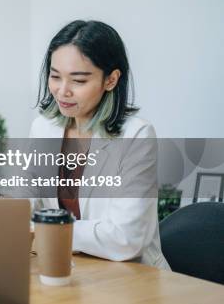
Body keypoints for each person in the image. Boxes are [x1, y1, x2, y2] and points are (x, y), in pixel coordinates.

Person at [29, 20, 170, 269]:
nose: (62, 91)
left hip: (132, 276)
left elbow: (125, 238)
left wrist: (46, 230)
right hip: (73, 267)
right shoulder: (43, 128)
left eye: (79, 81)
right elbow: (28, 201)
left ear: (111, 80)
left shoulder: (137, 136)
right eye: (55, 77)